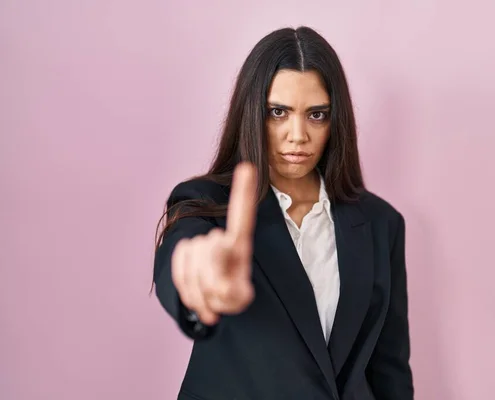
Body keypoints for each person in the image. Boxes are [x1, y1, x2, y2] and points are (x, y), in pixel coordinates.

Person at [153, 26, 414, 400]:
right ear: (252, 114)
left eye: (317, 115)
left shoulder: (381, 223)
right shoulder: (205, 202)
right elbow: (182, 257)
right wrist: (200, 280)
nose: (298, 135)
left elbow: (389, 368)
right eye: (278, 112)